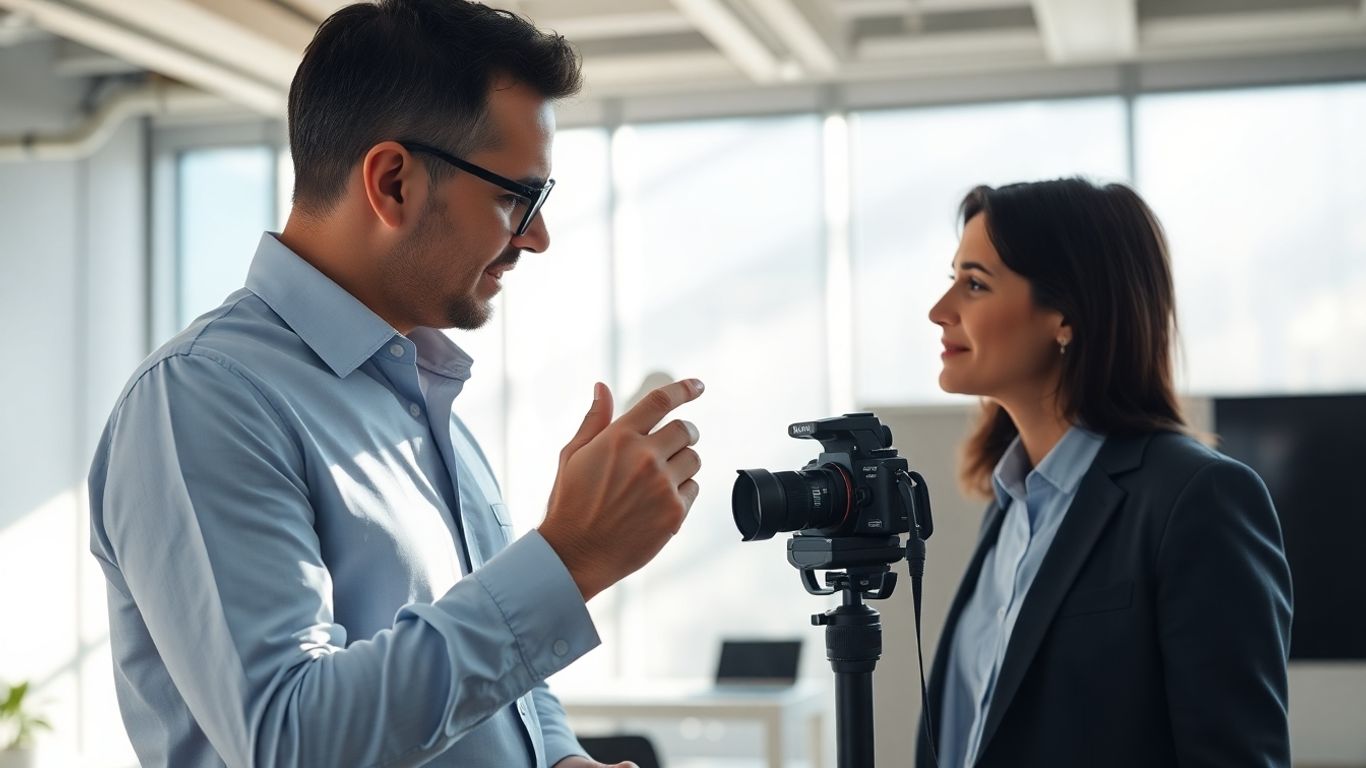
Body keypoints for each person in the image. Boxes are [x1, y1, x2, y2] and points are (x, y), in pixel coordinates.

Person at [86, 2, 703, 766]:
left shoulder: (424, 400)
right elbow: (292, 740)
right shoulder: (204, 401)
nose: (536, 237)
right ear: (393, 182)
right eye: (518, 196)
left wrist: (558, 757)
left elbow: (498, 682)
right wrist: (568, 558)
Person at [916, 178, 1293, 767]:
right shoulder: (1010, 503)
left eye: (975, 284)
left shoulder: (1199, 499)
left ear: (1065, 314)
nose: (940, 312)